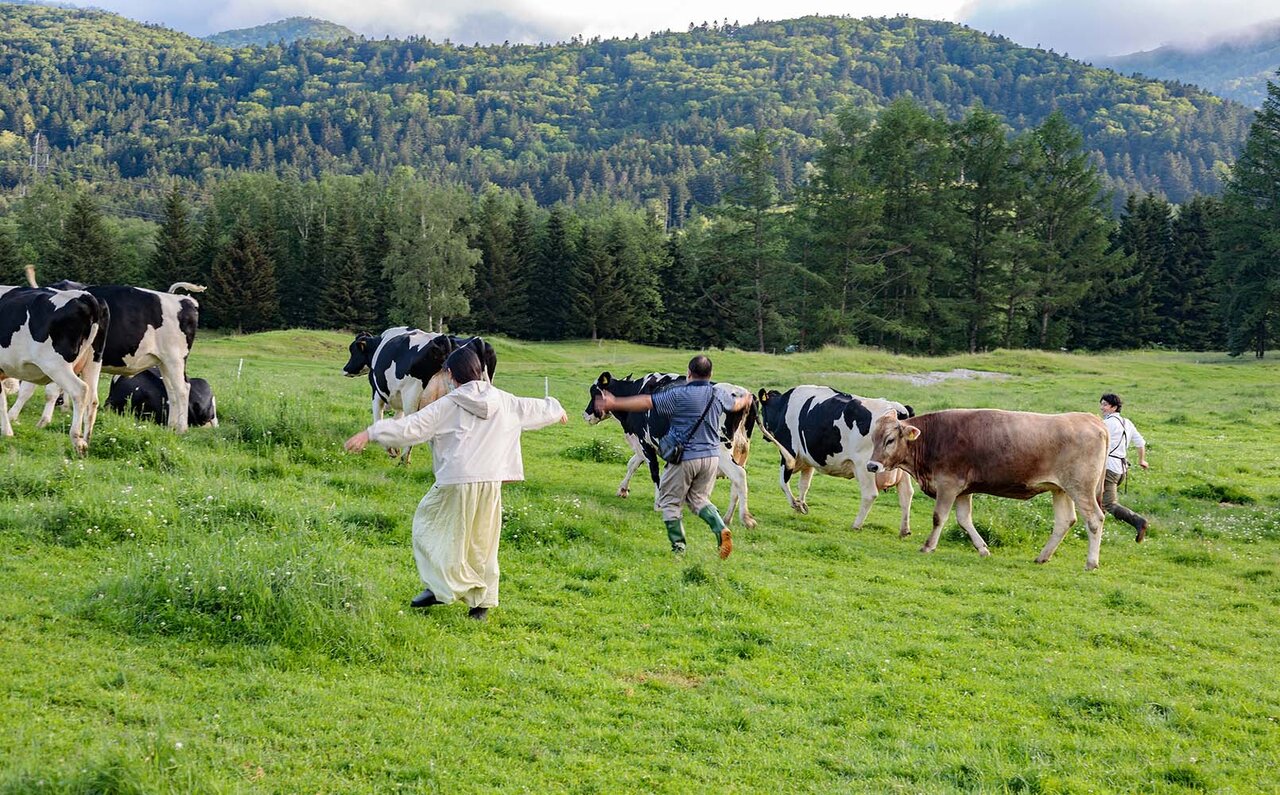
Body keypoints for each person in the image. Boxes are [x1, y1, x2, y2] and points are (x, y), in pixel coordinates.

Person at [344, 347, 567, 620]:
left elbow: (412, 426)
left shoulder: (448, 404)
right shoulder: (504, 400)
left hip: (456, 479)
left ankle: (442, 588)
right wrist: (556, 410)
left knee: (428, 526)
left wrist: (372, 432)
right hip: (490, 482)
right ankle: (481, 604)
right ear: (478, 372)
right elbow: (537, 408)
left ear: (450, 374)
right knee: (482, 542)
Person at [593, 355, 751, 558]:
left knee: (669, 503)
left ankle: (679, 549)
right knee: (699, 500)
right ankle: (720, 529)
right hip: (711, 459)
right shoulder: (719, 393)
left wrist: (615, 402)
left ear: (688, 373)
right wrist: (746, 399)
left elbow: (646, 402)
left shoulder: (678, 394)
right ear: (710, 375)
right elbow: (736, 405)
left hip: (684, 457)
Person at [1099, 392, 1150, 542]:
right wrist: (1142, 460)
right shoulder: (1128, 423)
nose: (1102, 408)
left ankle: (1138, 521)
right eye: (1101, 404)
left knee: (1109, 504)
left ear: (1114, 407)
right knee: (1099, 499)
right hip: (1122, 469)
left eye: (1105, 405)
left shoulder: (1106, 423)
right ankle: (1096, 530)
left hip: (1109, 468)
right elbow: (1140, 443)